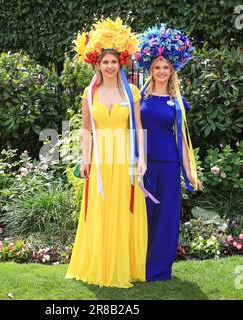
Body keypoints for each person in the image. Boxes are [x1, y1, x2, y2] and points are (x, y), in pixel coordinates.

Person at [65, 17, 150, 288]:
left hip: (125, 157)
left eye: (114, 62)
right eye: (105, 62)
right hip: (102, 159)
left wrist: (142, 159)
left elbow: (137, 126)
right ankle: (101, 264)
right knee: (100, 210)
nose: (110, 66)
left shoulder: (132, 92)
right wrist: (85, 159)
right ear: (98, 65)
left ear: (119, 64)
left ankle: (123, 265)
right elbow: (86, 130)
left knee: (123, 210)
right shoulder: (89, 93)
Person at [135, 24, 204, 281]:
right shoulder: (139, 99)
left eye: (165, 67)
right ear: (150, 71)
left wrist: (190, 173)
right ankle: (138, 263)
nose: (161, 71)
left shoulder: (178, 104)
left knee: (165, 217)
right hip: (144, 164)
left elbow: (182, 141)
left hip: (169, 165)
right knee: (143, 216)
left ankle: (158, 269)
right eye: (157, 67)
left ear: (172, 71)